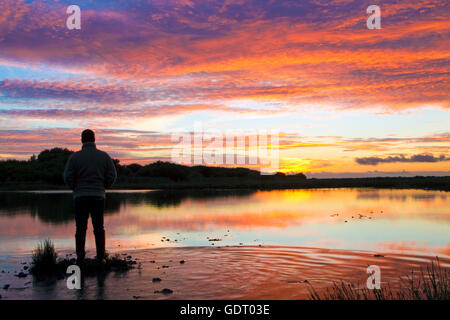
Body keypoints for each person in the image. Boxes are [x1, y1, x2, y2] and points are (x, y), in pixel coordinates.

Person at [64, 129, 117, 265]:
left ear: (82, 140)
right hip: (98, 197)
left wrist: (75, 188)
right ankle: (101, 258)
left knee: (80, 228)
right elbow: (112, 175)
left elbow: (67, 177)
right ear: (94, 139)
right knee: (99, 228)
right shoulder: (104, 156)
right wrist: (104, 187)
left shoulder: (75, 157)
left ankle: (80, 258)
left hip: (80, 197)